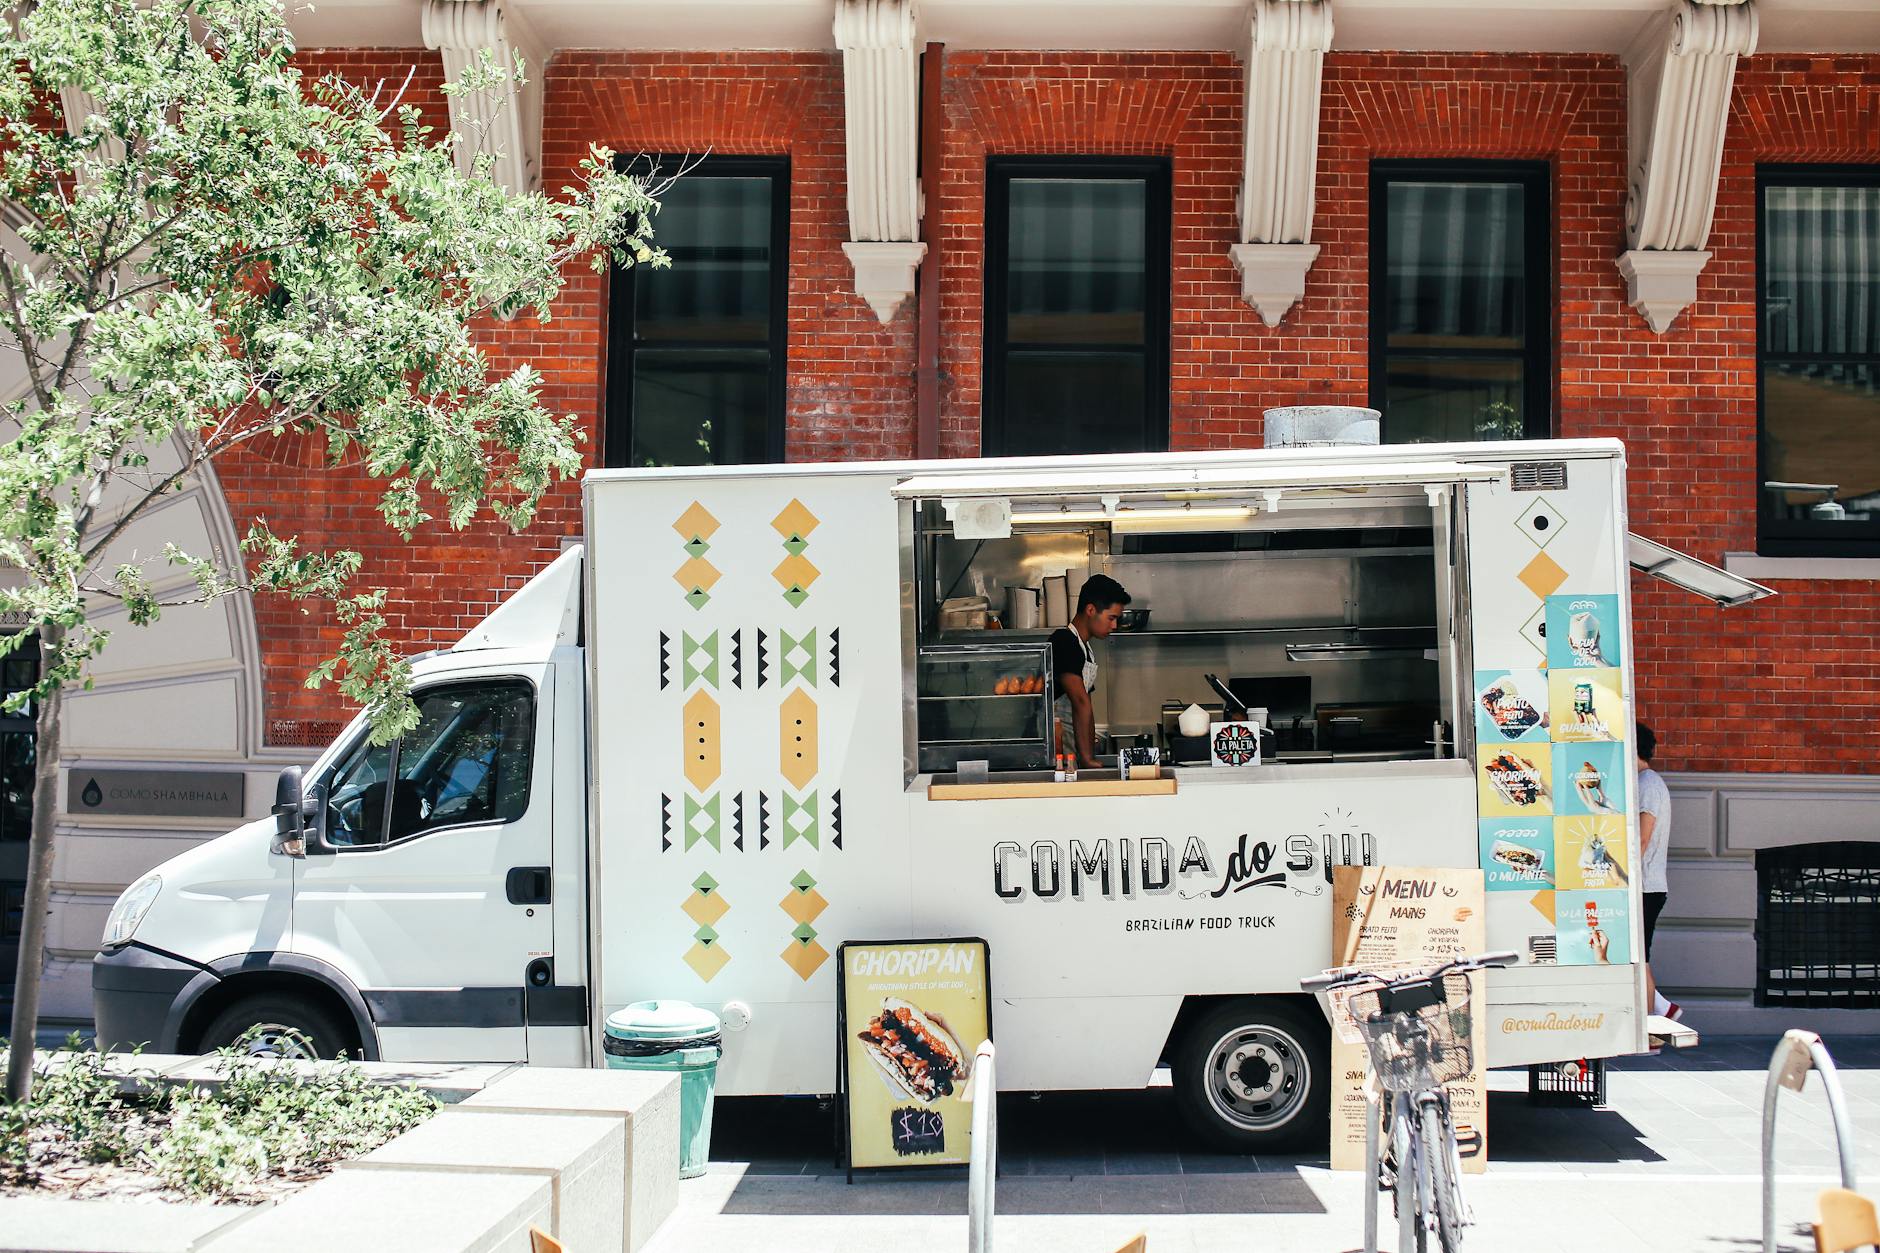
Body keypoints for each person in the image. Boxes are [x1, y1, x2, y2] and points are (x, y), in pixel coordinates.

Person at [1051, 574, 1130, 770]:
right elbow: (1080, 701)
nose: (1114, 626)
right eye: (1111, 618)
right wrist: (1087, 759)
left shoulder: (1085, 649)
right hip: (1058, 749)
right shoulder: (1064, 641)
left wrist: (1089, 754)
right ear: (1091, 609)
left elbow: (1087, 705)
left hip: (1071, 749)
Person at [1636, 721, 1680, 1021]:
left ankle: (1652, 1028)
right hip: (1645, 885)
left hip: (1644, 886)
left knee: (1641, 959)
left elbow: (1641, 838)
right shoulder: (1644, 782)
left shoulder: (1648, 784)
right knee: (1638, 956)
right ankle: (1664, 1009)